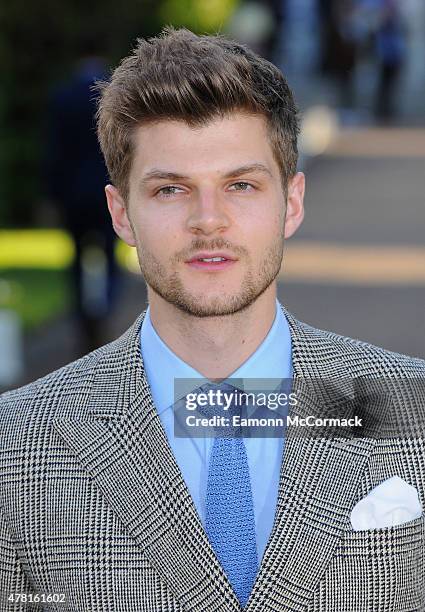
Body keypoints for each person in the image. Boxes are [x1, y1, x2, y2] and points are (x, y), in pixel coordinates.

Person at [1, 27, 424, 612]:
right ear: (121, 213)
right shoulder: (16, 446)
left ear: (292, 202)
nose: (209, 220)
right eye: (171, 190)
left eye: (241, 185)